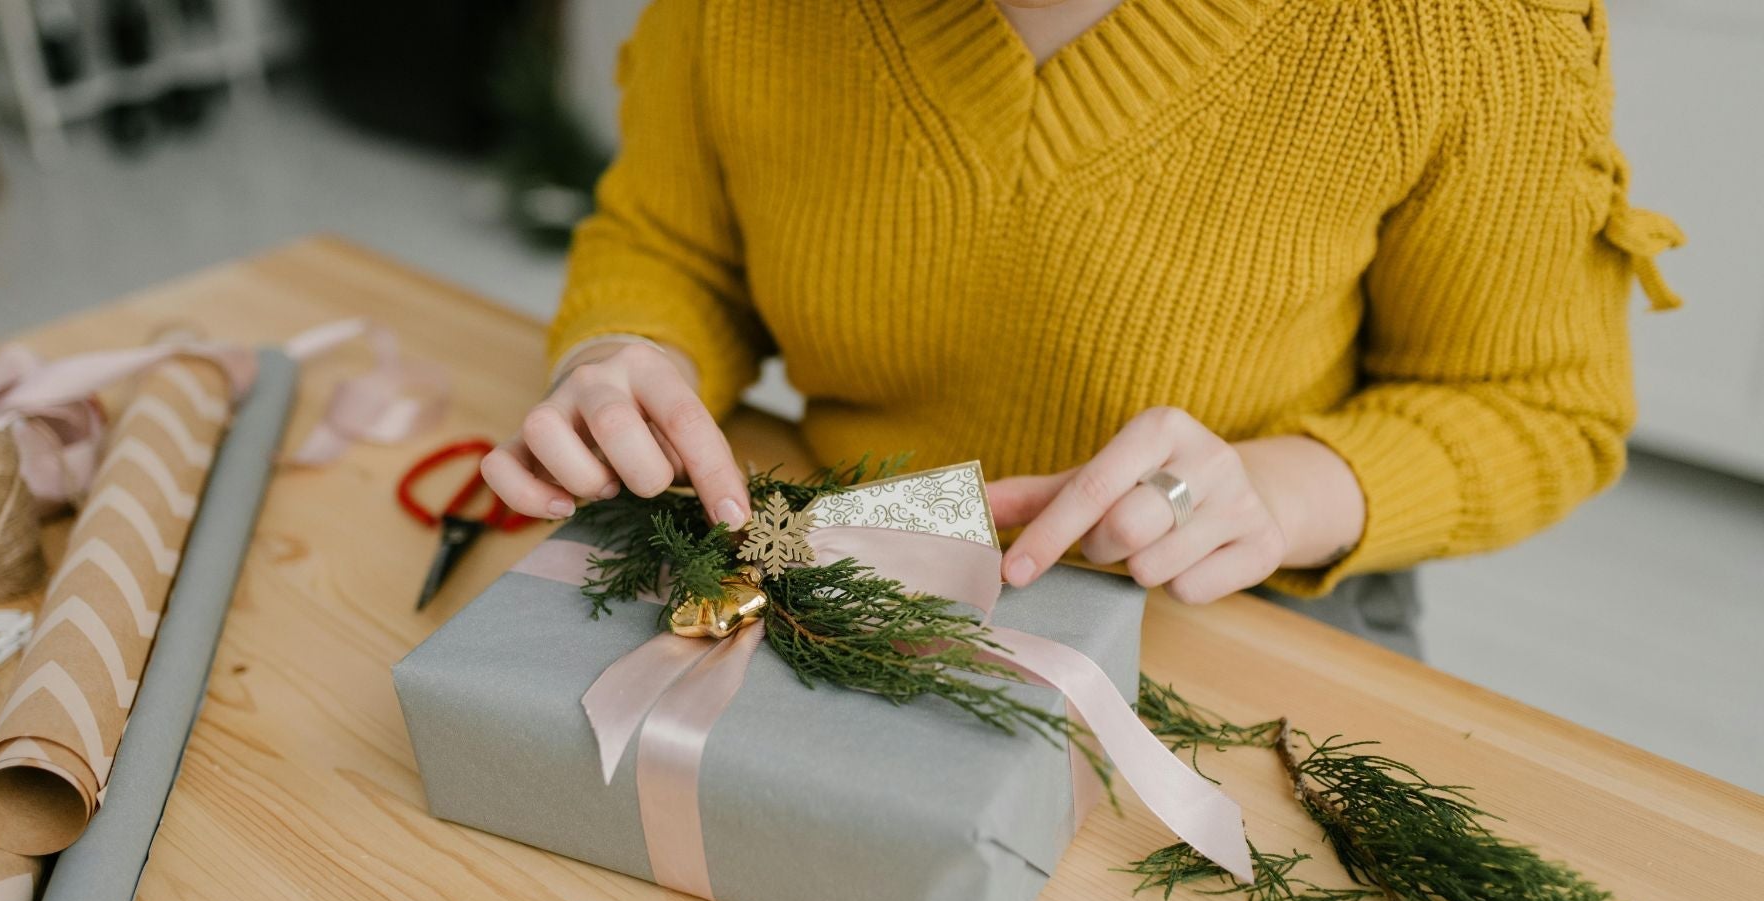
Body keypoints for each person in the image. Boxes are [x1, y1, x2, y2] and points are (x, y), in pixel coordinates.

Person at [480, 0, 1682, 657]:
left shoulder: (1471, 32)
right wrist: (624, 353)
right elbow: (672, 242)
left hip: (1241, 612)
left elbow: (1537, 404)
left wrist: (1281, 491)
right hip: (849, 552)